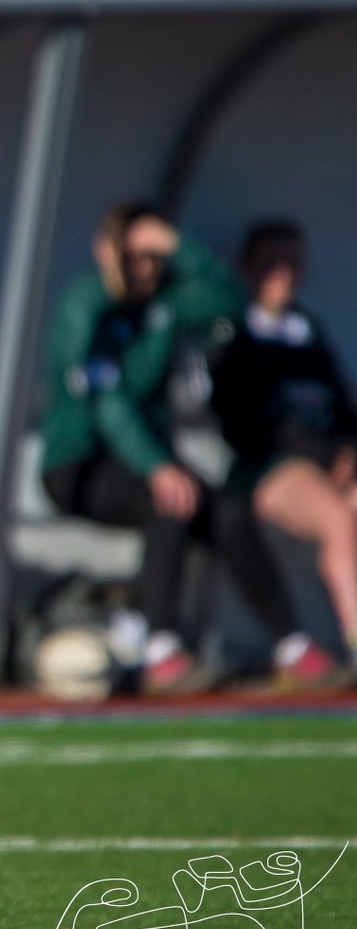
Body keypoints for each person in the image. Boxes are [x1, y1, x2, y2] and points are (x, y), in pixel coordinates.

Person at [38, 204, 332, 692]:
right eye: (132, 256)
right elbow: (107, 400)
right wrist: (157, 465)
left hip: (148, 463)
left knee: (230, 513)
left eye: (151, 257)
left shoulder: (167, 304)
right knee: (168, 500)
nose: (143, 268)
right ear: (105, 253)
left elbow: (234, 304)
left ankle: (292, 646)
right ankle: (161, 649)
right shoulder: (86, 306)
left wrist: (180, 246)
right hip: (80, 464)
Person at [208, 220, 355, 686]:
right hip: (269, 468)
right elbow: (243, 420)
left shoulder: (307, 329)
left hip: (325, 463)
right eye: (273, 261)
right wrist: (314, 453)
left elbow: (339, 404)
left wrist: (347, 449)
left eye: (292, 260)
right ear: (249, 268)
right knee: (338, 518)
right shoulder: (235, 328)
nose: (284, 272)